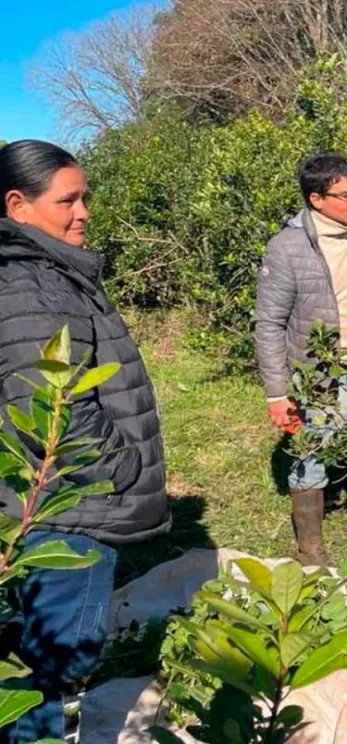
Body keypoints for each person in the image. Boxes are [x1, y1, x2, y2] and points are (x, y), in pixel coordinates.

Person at [0, 140, 171, 741]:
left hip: (63, 506)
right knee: (52, 669)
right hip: (71, 515)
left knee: (38, 660)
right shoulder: (31, 289)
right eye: (67, 200)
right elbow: (50, 411)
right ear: (18, 205)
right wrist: (122, 471)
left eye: (84, 197)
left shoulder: (47, 273)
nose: (83, 211)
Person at [255, 153, 347, 565]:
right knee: (310, 456)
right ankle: (312, 550)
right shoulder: (287, 249)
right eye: (345, 195)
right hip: (322, 372)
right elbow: (268, 324)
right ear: (316, 200)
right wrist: (277, 394)